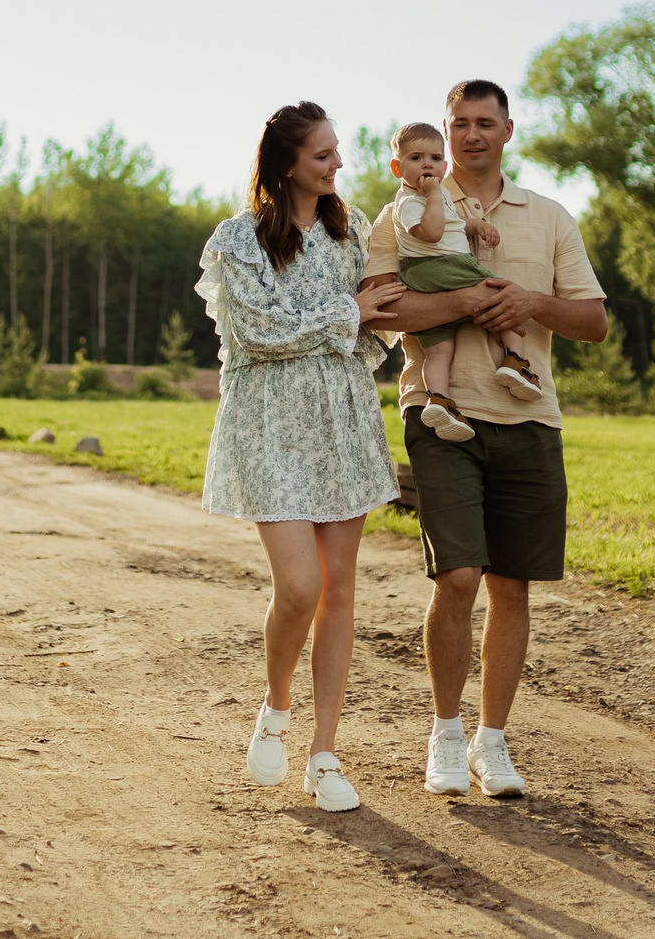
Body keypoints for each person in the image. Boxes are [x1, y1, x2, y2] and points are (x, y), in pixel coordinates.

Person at [361, 80, 609, 800]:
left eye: (484, 123)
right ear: (442, 132)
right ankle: (443, 732)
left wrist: (531, 302)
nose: (470, 135)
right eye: (458, 123)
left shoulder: (550, 217)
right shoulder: (406, 208)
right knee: (458, 576)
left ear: (507, 130)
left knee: (511, 585)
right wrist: (466, 300)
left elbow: (593, 322)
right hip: (442, 413)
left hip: (531, 421)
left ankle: (490, 742)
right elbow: (380, 306)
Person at [197, 101, 403, 813]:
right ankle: (275, 704)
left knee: (340, 588)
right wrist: (348, 317)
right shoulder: (239, 240)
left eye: (336, 152)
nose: (338, 164)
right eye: (322, 155)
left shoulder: (350, 240)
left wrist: (361, 322)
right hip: (268, 427)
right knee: (299, 588)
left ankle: (324, 754)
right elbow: (260, 333)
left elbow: (374, 340)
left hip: (341, 420)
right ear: (287, 165)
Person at [387, 121, 536, 446]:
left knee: (439, 350)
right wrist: (433, 198)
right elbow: (433, 232)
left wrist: (476, 226)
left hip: (427, 278)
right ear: (397, 167)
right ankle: (516, 361)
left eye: (435, 158)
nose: (427, 164)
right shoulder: (410, 200)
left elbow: (452, 224)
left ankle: (440, 400)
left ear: (444, 164)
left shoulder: (436, 195)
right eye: (416, 158)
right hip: (439, 269)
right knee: (505, 296)